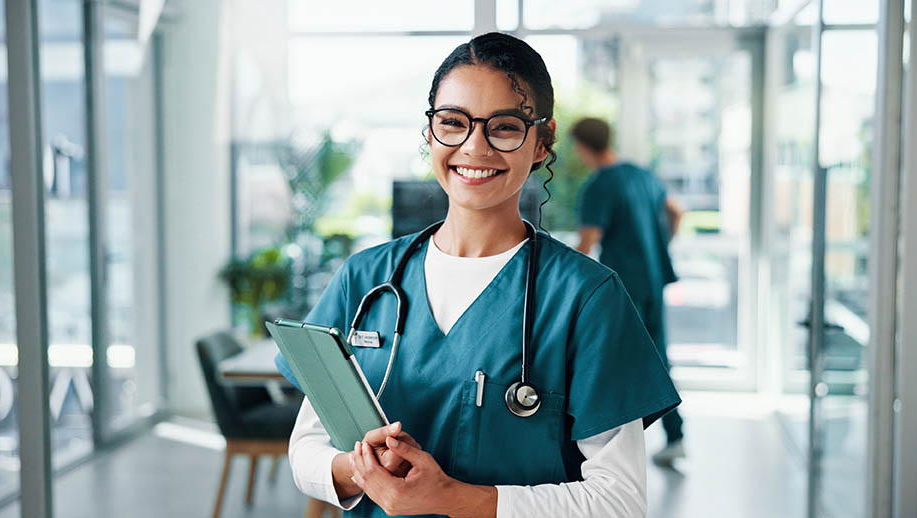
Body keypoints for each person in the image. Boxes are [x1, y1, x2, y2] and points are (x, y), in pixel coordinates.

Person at [274, 33, 680, 518]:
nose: (474, 146)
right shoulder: (365, 278)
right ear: (430, 134)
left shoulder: (586, 298)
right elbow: (306, 451)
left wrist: (449, 497)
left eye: (504, 127)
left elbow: (619, 502)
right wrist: (362, 468)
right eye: (453, 123)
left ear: (542, 143)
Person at [570, 117, 686, 466]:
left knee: (611, 363)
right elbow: (676, 212)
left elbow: (587, 243)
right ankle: (676, 435)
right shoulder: (641, 174)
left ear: (581, 146)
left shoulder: (599, 185)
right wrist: (659, 245)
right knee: (657, 359)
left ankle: (612, 451)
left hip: (624, 288)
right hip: (651, 278)